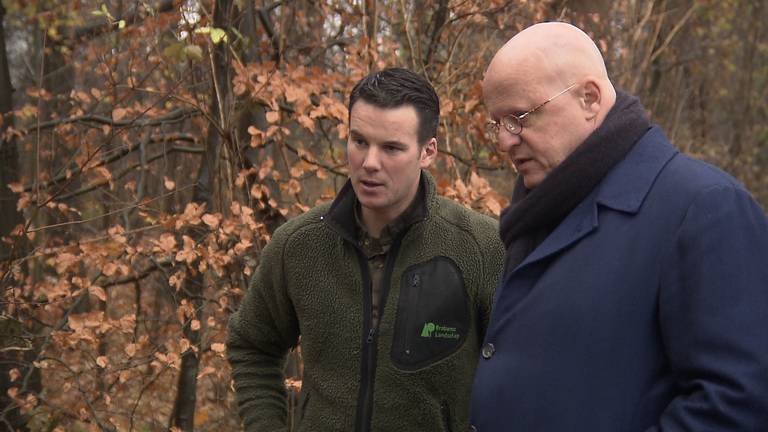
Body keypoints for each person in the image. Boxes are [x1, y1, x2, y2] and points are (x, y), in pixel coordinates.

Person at [469, 22, 768, 431]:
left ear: (589, 98)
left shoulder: (702, 208)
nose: (505, 141)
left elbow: (738, 404)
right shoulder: (540, 213)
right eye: (497, 123)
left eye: (519, 118)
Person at [227, 67, 504, 432]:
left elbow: (525, 372)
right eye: (359, 142)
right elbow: (252, 345)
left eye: (391, 148)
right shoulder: (299, 245)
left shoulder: (482, 247)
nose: (369, 163)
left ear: (427, 152)